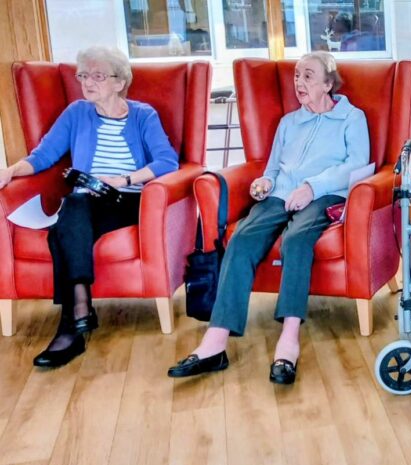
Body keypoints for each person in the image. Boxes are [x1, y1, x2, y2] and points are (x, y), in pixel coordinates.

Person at [168, 51, 370, 384]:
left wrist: (311, 186)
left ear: (328, 84)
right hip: (280, 194)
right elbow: (273, 167)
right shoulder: (289, 122)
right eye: (296, 76)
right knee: (242, 238)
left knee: (296, 239)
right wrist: (266, 182)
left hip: (324, 195)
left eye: (308, 76)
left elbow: (358, 163)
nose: (298, 82)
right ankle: (215, 342)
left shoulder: (352, 118)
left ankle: (288, 340)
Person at [0, 46, 179, 368]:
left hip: (129, 198)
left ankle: (72, 325)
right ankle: (78, 312)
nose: (87, 82)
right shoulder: (76, 113)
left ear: (119, 81)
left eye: (97, 76)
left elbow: (167, 161)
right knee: (73, 210)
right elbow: (43, 156)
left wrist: (122, 179)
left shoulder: (143, 115)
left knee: (63, 227)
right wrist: (10, 171)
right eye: (83, 75)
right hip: (86, 201)